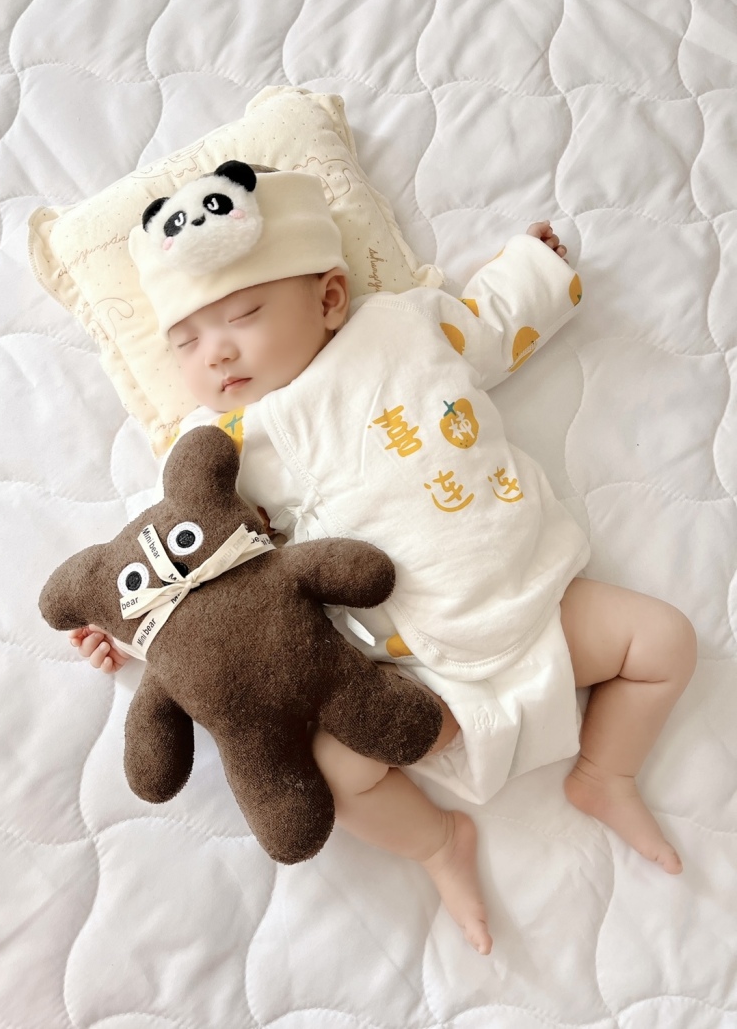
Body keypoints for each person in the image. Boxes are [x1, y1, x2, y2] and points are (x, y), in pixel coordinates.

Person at [70, 166, 696, 955]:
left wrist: (537, 270)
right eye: (186, 341)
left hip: (537, 599)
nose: (216, 352)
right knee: (338, 768)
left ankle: (606, 772)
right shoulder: (221, 449)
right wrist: (123, 629)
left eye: (244, 315)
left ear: (330, 298)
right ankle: (438, 842)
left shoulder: (400, 328)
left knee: (665, 642)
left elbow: (487, 326)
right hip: (409, 667)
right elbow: (191, 575)